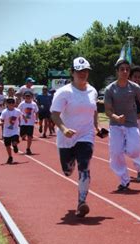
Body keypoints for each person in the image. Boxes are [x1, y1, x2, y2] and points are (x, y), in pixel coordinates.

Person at [50, 56, 100, 218]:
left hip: (86, 135)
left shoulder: (93, 91)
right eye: (79, 71)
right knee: (67, 170)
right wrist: (63, 129)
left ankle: (81, 202)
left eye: (85, 71)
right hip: (66, 138)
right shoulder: (63, 92)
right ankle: (68, 165)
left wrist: (96, 127)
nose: (82, 74)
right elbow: (55, 114)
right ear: (72, 72)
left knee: (84, 165)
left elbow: (94, 111)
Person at [104, 59, 140, 191]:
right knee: (115, 153)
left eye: (127, 69)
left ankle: (125, 146)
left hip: (131, 124)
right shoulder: (110, 89)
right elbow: (107, 110)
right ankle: (124, 180)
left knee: (134, 150)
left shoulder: (135, 87)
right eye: (122, 69)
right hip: (115, 125)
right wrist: (116, 117)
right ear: (117, 71)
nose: (125, 71)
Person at [0, 97, 22, 164]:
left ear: (14, 103)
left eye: (12, 102)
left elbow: (22, 116)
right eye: (9, 102)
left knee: (14, 141)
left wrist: (24, 122)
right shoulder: (4, 112)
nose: (11, 104)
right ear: (6, 104)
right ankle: (10, 157)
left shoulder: (17, 111)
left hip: (15, 130)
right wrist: (0, 122)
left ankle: (15, 145)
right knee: (7, 145)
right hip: (7, 131)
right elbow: (0, 119)